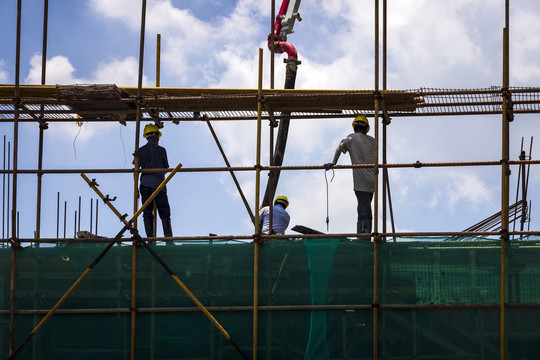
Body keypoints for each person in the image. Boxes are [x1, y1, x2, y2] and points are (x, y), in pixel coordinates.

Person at [324, 115, 375, 239]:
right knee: (367, 205)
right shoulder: (373, 140)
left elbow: (340, 146)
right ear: (366, 128)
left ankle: (364, 236)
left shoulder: (351, 138)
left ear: (354, 126)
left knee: (363, 209)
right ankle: (365, 234)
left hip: (361, 180)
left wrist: (333, 162)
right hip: (373, 179)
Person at [137, 123, 173, 239]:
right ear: (156, 136)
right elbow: (165, 168)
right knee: (164, 212)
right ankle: (168, 238)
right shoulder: (161, 150)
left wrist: (135, 189)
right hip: (159, 185)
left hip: (145, 184)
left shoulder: (140, 151)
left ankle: (150, 239)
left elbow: (136, 170)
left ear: (146, 137)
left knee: (147, 212)